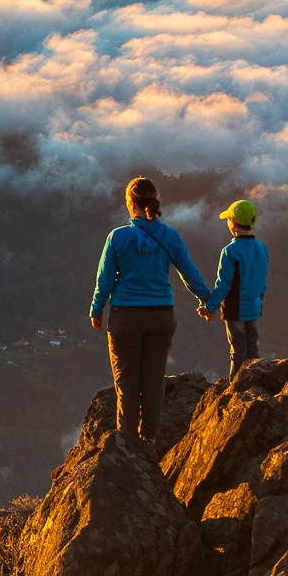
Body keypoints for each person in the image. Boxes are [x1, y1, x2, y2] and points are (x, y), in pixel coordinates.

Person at [90, 176, 212, 443]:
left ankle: (128, 444)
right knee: (153, 381)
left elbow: (105, 280)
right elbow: (190, 274)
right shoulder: (170, 236)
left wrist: (96, 309)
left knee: (127, 382)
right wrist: (209, 301)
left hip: (126, 317)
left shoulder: (118, 237)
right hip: (161, 316)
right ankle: (150, 440)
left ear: (131, 203)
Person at [197, 199, 269, 380]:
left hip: (235, 310)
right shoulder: (261, 248)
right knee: (253, 349)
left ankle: (236, 389)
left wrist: (210, 308)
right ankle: (256, 383)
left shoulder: (230, 251)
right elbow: (262, 281)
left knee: (238, 350)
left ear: (233, 223)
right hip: (254, 307)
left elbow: (223, 285)